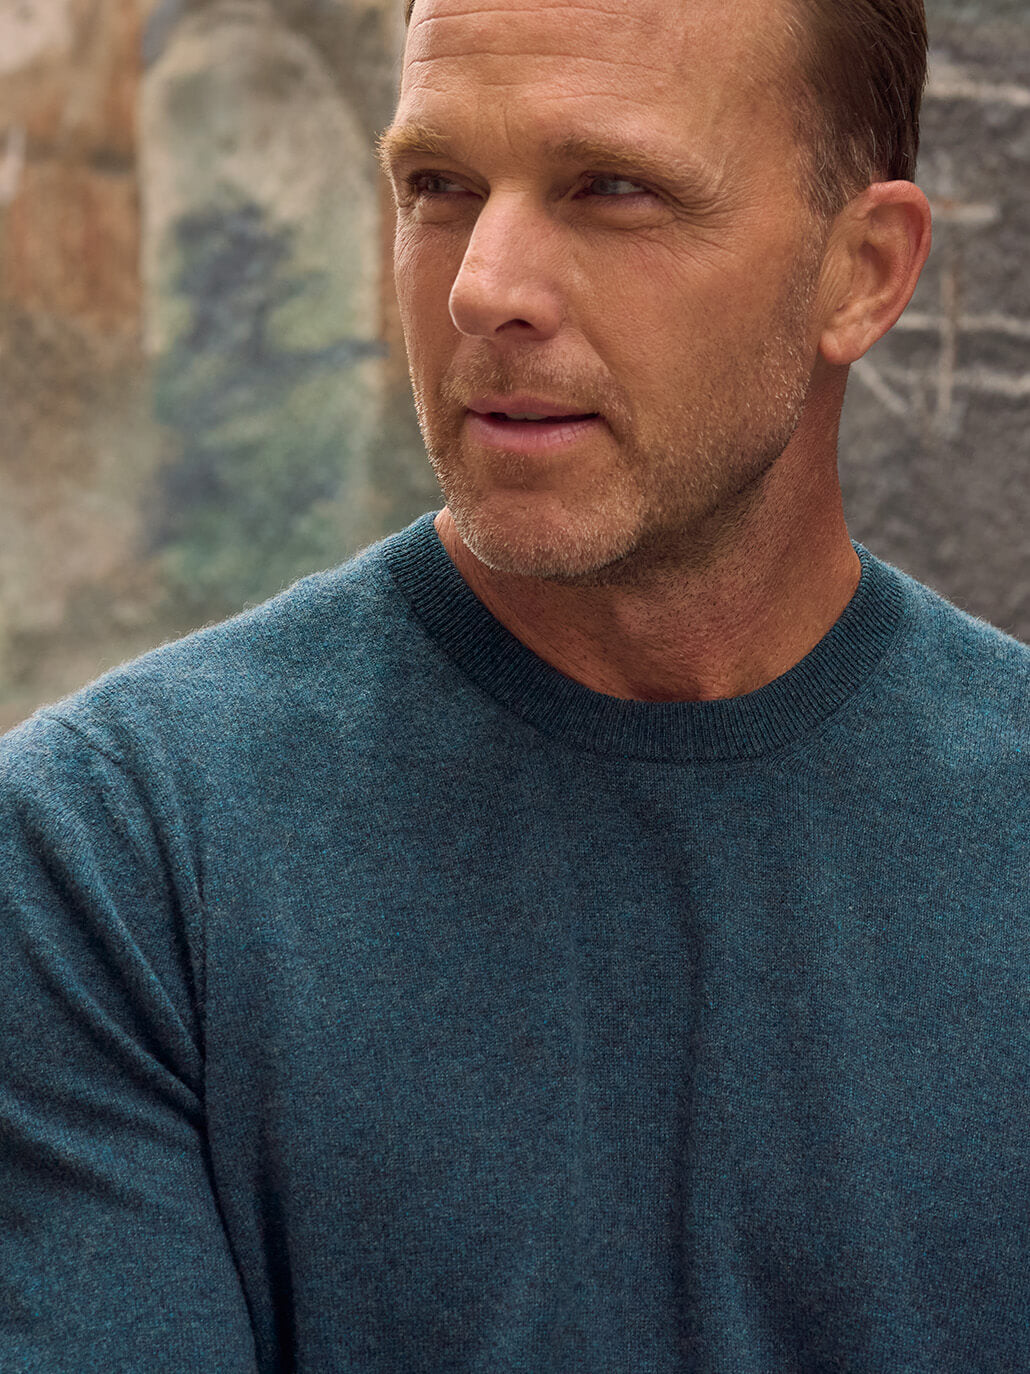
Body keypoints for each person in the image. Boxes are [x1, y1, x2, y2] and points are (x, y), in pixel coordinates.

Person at [2, 0, 1026, 1368]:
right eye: (439, 185)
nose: (482, 285)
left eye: (611, 188)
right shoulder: (114, 859)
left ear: (862, 272)